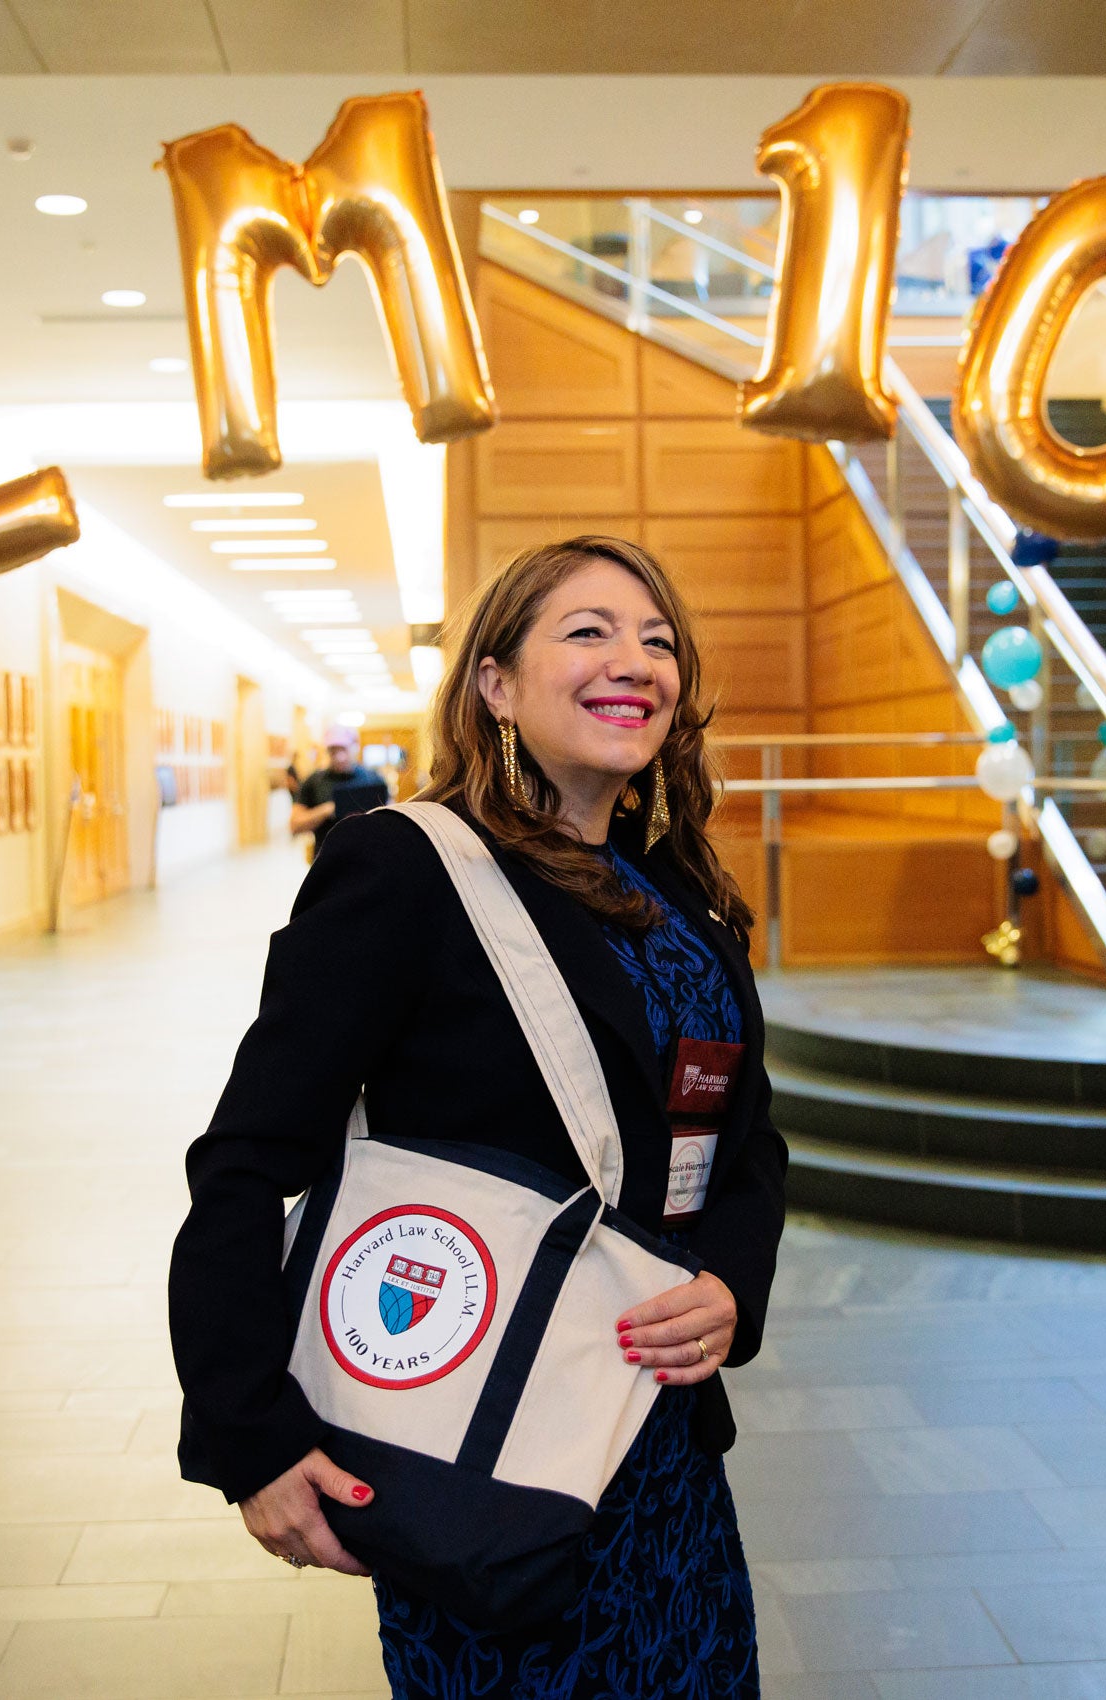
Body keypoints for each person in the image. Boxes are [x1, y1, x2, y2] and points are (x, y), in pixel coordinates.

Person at [171, 537, 785, 1699]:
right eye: (589, 630)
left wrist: (734, 1283)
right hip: (485, 1452)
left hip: (662, 1446)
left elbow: (747, 1140)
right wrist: (246, 1429)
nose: (636, 661)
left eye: (658, 640)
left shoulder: (685, 898)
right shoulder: (406, 869)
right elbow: (246, 1158)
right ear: (495, 684)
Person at [290, 723, 390, 857]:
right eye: (333, 750)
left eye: (343, 749)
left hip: (367, 857)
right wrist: (328, 810)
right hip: (326, 860)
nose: (339, 756)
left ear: (355, 747)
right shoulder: (314, 781)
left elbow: (390, 821)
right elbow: (295, 825)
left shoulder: (373, 779)